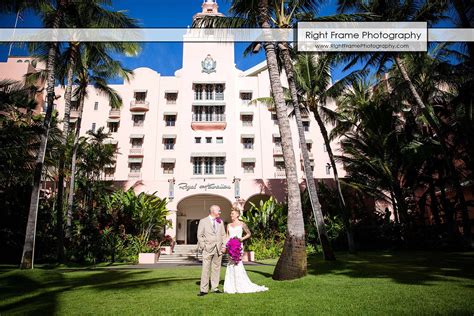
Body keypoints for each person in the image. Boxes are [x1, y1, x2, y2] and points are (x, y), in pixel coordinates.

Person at [223, 208, 268, 294]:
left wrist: (241, 239)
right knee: (231, 264)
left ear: (237, 215)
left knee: (237, 264)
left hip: (238, 247)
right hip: (230, 246)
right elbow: (227, 236)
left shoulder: (242, 224)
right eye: (231, 214)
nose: (231, 215)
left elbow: (249, 233)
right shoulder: (228, 225)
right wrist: (225, 246)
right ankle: (231, 286)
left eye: (232, 213)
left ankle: (240, 285)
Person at [196, 205, 226, 296]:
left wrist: (224, 246)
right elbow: (199, 235)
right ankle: (203, 290)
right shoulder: (203, 221)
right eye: (219, 211)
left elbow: (223, 235)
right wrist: (203, 246)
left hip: (218, 249)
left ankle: (215, 288)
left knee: (216, 269)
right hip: (207, 249)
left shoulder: (220, 222)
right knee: (205, 269)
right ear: (213, 211)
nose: (220, 212)